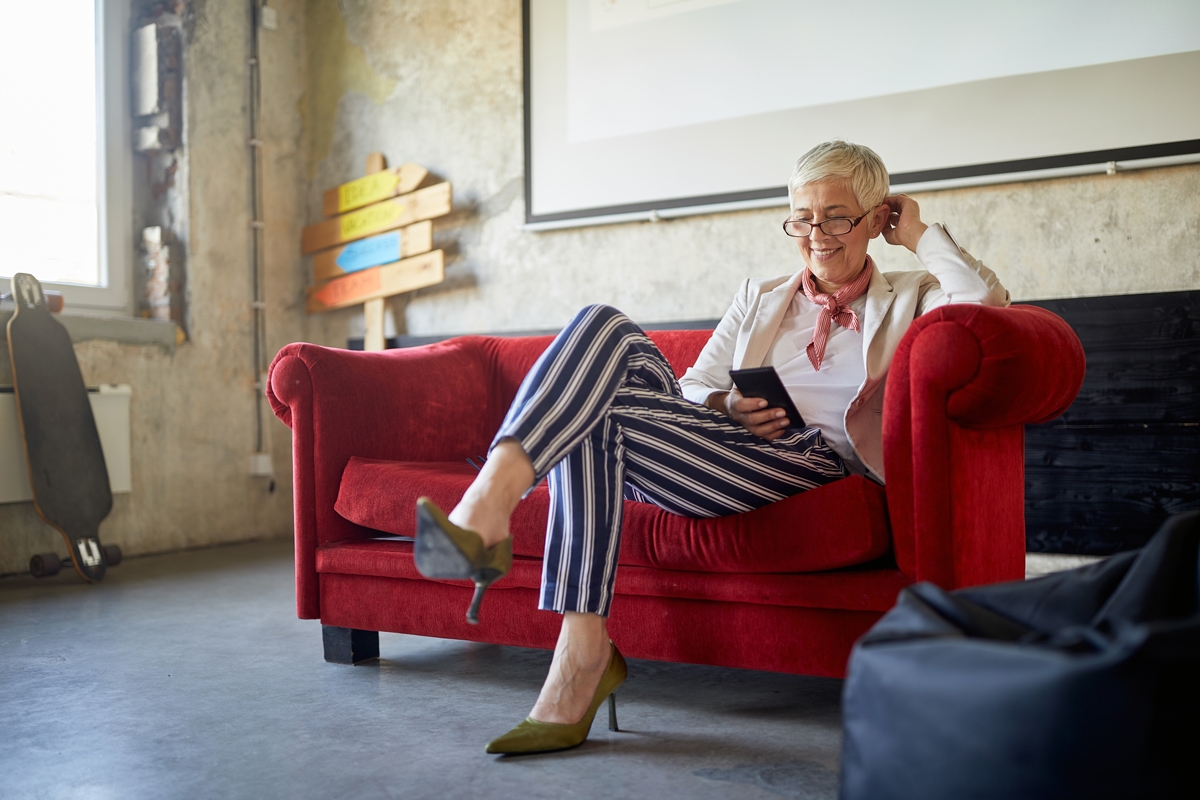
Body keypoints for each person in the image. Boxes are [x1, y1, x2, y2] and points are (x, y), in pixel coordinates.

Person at [412, 140, 1010, 755]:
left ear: (876, 217)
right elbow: (695, 384)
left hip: (813, 464)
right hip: (726, 445)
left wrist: (918, 234)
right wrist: (728, 404)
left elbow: (984, 305)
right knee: (602, 322)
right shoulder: (761, 296)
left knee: (594, 417)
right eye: (802, 219)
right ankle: (494, 502)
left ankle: (573, 646)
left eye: (837, 218)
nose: (816, 235)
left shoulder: (912, 295)